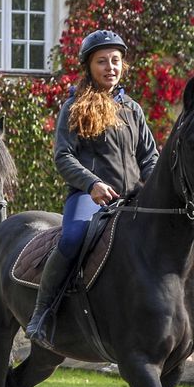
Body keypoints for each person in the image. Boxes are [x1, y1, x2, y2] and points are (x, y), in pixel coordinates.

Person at [23, 30, 159, 349]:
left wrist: (153, 189)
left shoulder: (133, 110)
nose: (110, 67)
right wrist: (92, 183)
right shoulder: (75, 107)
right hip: (90, 197)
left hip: (130, 199)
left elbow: (150, 157)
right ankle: (42, 313)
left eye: (115, 61)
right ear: (88, 66)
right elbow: (63, 155)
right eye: (102, 62)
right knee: (71, 238)